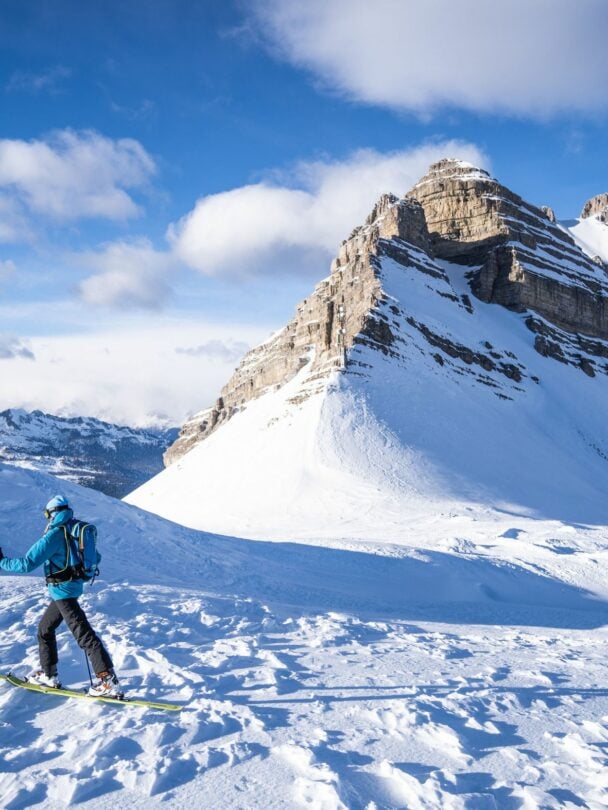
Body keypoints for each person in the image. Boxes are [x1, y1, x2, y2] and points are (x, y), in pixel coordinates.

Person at [0, 495, 122, 697]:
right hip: (68, 589)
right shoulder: (75, 530)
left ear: (52, 513)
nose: (46, 518)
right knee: (44, 629)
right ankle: (49, 675)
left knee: (84, 635)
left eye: (46, 514)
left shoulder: (55, 535)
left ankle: (107, 680)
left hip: (63, 592)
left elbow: (26, 564)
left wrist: (2, 561)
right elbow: (95, 557)